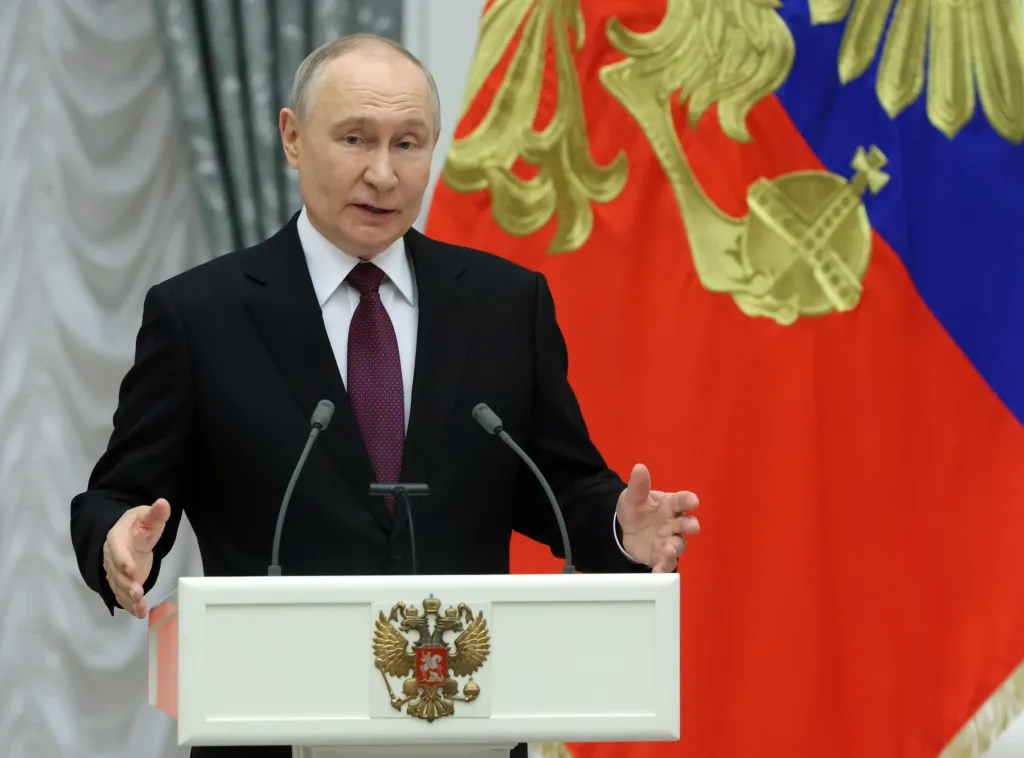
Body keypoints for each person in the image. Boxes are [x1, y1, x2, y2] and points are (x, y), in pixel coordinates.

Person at [69, 33, 700, 758]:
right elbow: (116, 495)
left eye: (408, 143)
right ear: (293, 137)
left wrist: (622, 526)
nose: (383, 173)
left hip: (465, 726)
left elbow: (560, 484)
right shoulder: (200, 315)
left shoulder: (503, 302)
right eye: (354, 139)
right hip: (275, 723)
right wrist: (117, 540)